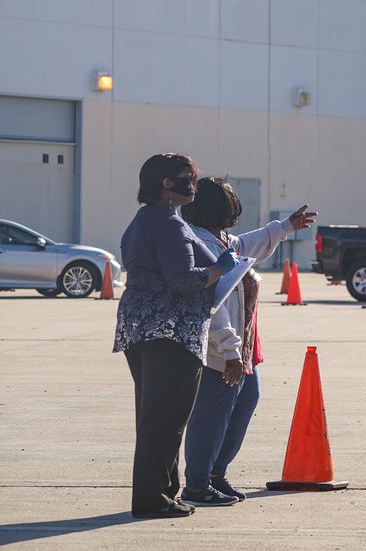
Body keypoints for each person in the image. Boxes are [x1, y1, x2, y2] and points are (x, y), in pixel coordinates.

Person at [113, 154, 239, 519]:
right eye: (188, 178)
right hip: (171, 332)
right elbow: (184, 280)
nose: (194, 185)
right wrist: (220, 268)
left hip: (142, 328)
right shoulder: (168, 223)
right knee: (165, 419)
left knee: (156, 416)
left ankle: (164, 493)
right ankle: (153, 499)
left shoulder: (144, 219)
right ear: (166, 183)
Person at [180, 177, 317, 505]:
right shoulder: (200, 245)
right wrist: (229, 349)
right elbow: (213, 304)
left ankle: (215, 474)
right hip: (218, 350)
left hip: (240, 348)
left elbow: (246, 246)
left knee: (241, 405)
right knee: (211, 416)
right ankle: (197, 484)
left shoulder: (221, 240)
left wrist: (283, 227)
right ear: (219, 209)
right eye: (229, 204)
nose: (234, 211)